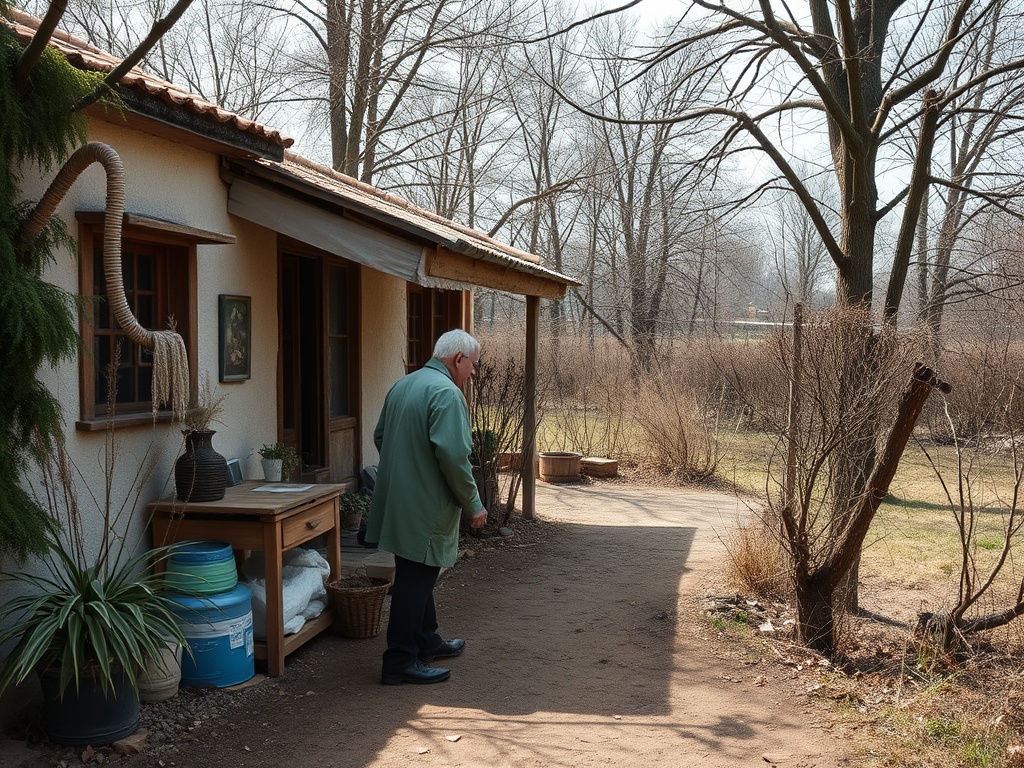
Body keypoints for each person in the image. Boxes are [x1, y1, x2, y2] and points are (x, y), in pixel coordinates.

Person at [366, 329, 488, 685]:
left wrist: (405, 467)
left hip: (398, 500)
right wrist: (474, 504)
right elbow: (454, 458)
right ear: (458, 359)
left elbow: (380, 437)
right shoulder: (448, 394)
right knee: (415, 580)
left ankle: (427, 639)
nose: (473, 374)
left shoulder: (404, 385)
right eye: (473, 366)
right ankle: (400, 660)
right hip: (426, 504)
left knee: (415, 570)